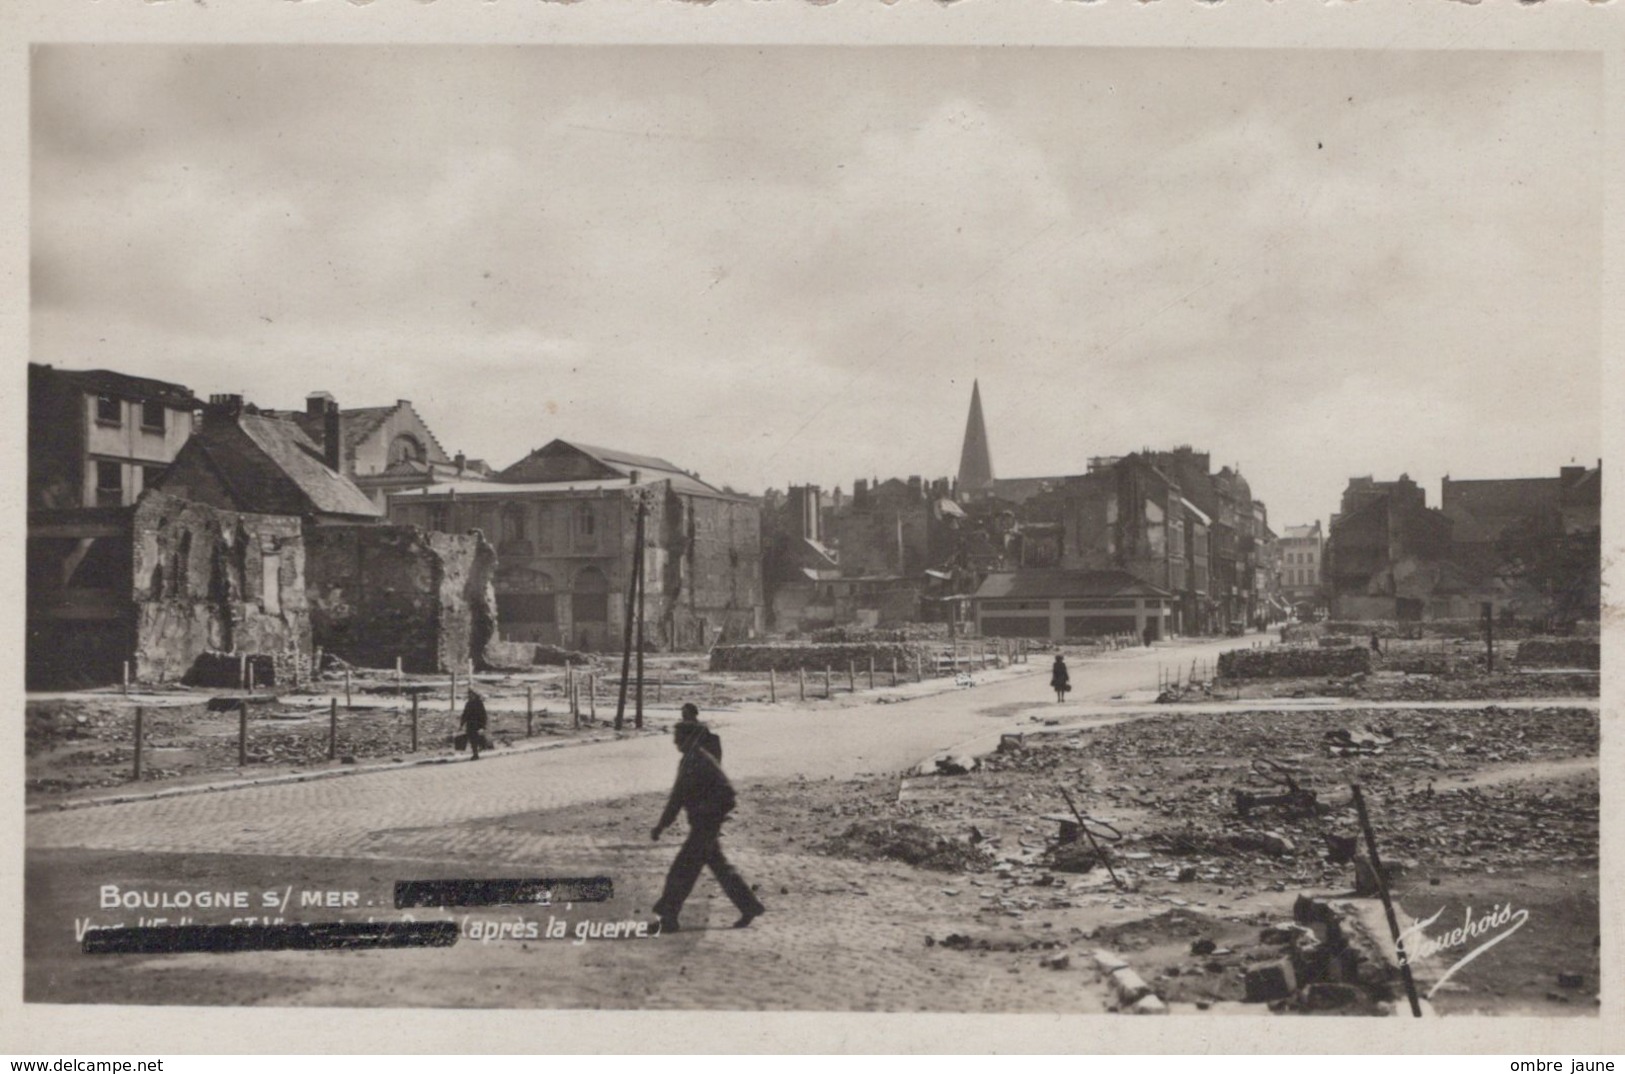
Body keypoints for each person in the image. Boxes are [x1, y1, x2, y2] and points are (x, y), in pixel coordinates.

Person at [649, 720, 764, 934]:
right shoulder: (689, 761)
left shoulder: (702, 761)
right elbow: (677, 798)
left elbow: (728, 794)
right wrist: (662, 825)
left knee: (680, 872)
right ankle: (750, 906)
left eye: (679, 737)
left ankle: (669, 919)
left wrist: (708, 815)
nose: (675, 741)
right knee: (721, 870)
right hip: (702, 828)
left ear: (690, 738)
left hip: (705, 828)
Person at [459, 689, 488, 761]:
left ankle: (479, 750)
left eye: (471, 694)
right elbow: (465, 714)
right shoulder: (468, 704)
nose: (470, 696)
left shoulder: (479, 703)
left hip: (478, 724)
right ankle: (475, 753)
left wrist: (483, 726)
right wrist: (461, 724)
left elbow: (483, 715)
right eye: (469, 694)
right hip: (470, 724)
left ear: (475, 695)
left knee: (476, 738)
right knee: (472, 739)